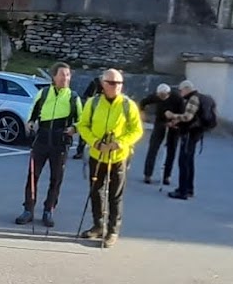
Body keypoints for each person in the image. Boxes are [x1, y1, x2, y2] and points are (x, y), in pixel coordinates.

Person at [77, 69, 144, 248]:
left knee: (115, 196)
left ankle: (113, 230)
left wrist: (119, 143)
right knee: (96, 192)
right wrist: (95, 142)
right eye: (113, 83)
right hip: (97, 155)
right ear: (103, 84)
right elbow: (83, 125)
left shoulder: (128, 105)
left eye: (120, 83)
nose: (117, 86)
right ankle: (98, 226)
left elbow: (137, 130)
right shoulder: (93, 103)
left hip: (118, 157)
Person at [16, 62, 82, 228]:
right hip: (42, 139)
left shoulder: (74, 97)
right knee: (33, 176)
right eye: (62, 74)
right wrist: (30, 122)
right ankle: (28, 210)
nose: (66, 78)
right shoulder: (44, 93)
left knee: (56, 179)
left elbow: (81, 121)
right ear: (54, 77)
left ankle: (48, 210)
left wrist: (74, 128)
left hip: (61, 142)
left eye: (68, 75)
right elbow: (32, 113)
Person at [138, 83, 184, 185]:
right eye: (160, 95)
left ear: (168, 93)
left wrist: (174, 122)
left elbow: (183, 114)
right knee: (153, 148)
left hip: (174, 124)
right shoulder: (156, 96)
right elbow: (143, 102)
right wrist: (142, 114)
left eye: (163, 95)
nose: (161, 97)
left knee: (171, 150)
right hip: (160, 122)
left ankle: (167, 176)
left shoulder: (177, 98)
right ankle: (148, 174)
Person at [166, 80, 204, 201]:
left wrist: (173, 115)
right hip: (194, 133)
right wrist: (177, 122)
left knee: (184, 162)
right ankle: (188, 189)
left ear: (187, 89)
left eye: (181, 90)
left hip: (189, 134)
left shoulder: (193, 98)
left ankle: (182, 191)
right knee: (189, 162)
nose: (180, 92)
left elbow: (188, 117)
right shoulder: (196, 97)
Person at [73, 74, 102, 159]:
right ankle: (80, 151)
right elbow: (87, 96)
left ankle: (95, 150)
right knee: (85, 129)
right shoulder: (95, 83)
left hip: (100, 112)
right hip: (92, 110)